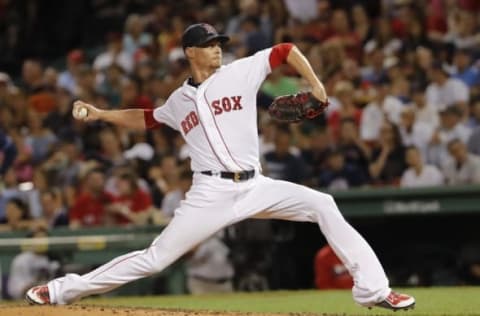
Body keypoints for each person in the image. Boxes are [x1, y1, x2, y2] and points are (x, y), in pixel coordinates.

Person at [26, 23, 414, 311]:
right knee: (156, 258)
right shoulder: (178, 101)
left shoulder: (240, 72)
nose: (217, 50)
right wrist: (101, 114)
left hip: (256, 185)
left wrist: (316, 85)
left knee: (324, 204)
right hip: (210, 193)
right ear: (190, 52)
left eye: (219, 44)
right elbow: (147, 118)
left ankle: (374, 291)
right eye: (210, 45)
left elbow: (285, 49)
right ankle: (61, 290)